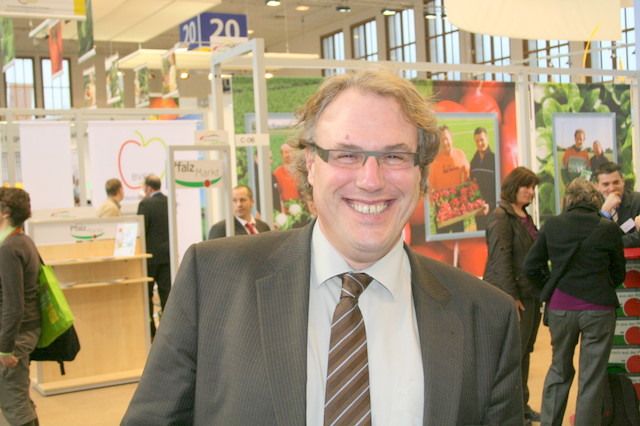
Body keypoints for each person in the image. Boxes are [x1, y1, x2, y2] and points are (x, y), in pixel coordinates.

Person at [122, 68, 523, 425]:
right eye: (347, 154)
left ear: (421, 171)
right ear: (311, 165)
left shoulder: (486, 316)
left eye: (394, 155)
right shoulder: (213, 280)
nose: (370, 179)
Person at [524, 178, 625, 425]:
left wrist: (550, 287)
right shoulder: (608, 227)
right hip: (599, 308)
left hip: (561, 307)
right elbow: (618, 273)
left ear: (567, 199)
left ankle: (550, 422)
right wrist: (601, 286)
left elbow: (531, 267)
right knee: (592, 377)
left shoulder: (552, 225)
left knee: (559, 368)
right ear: (595, 199)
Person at [482, 166, 541, 424]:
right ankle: (513, 414)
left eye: (533, 187)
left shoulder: (523, 215)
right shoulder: (501, 217)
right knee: (511, 358)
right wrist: (511, 298)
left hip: (529, 295)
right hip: (513, 297)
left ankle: (522, 407)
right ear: (513, 186)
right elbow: (500, 260)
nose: (530, 192)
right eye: (526, 186)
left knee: (524, 353)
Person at [0, 188, 40, 426]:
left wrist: (5, 349)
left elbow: (14, 304)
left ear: (5, 213)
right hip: (23, 330)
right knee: (17, 396)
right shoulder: (22, 241)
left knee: (14, 402)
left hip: (16, 335)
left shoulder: (8, 248)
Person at [137, 175, 171, 338]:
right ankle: (169, 331)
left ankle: (151, 333)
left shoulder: (145, 204)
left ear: (148, 188)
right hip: (167, 256)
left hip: (149, 258)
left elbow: (141, 231)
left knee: (147, 295)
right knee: (167, 295)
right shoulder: (169, 202)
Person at [428, 125, 470, 234]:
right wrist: (434, 204)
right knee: (442, 238)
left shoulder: (460, 154)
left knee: (458, 237)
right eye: (441, 140)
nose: (445, 142)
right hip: (442, 206)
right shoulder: (434, 161)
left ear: (451, 139)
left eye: (446, 139)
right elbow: (430, 186)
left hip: (457, 204)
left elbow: (468, 176)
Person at [594, 161, 640, 248]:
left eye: (616, 182)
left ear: (623, 181)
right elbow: (592, 238)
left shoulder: (637, 200)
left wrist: (611, 244)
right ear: (597, 186)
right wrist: (604, 213)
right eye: (606, 184)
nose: (612, 188)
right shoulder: (591, 205)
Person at [469, 127, 496, 231]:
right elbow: (472, 186)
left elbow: (498, 188)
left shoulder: (494, 160)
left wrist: (490, 205)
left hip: (492, 211)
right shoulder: (473, 162)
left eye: (482, 140)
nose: (480, 143)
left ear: (487, 138)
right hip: (479, 212)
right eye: (477, 141)